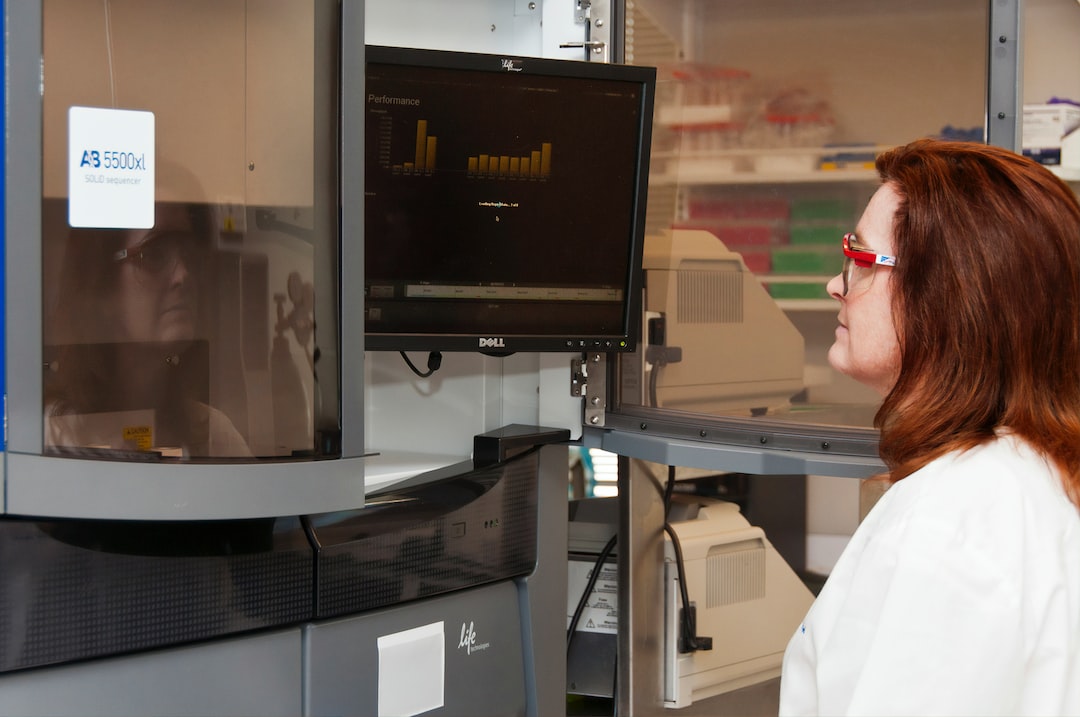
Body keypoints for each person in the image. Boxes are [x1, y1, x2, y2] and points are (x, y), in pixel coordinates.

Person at [779, 138, 1080, 715]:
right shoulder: (1029, 474)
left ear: (944, 296)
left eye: (860, 261)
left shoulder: (953, 518)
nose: (836, 285)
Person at [43, 189, 251, 459]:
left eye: (190, 256)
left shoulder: (213, 434)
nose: (183, 275)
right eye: (154, 255)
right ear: (102, 288)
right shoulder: (53, 436)